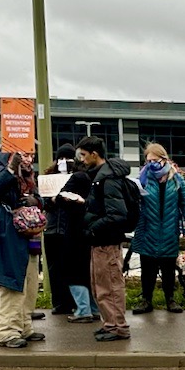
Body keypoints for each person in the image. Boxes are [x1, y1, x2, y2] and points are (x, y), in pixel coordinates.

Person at [0, 149, 45, 348]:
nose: (28, 158)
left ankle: (24, 326)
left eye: (31, 155)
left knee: (28, 283)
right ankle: (7, 332)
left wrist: (36, 201)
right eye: (24, 154)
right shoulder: (2, 171)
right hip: (7, 232)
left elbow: (39, 199)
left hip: (25, 234)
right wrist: (10, 169)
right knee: (12, 283)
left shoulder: (27, 176)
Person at [78, 137, 135, 342]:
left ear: (95, 154)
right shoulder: (101, 177)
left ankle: (118, 327)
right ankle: (110, 323)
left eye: (84, 155)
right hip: (101, 241)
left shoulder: (108, 179)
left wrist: (93, 228)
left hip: (106, 241)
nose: (82, 160)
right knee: (100, 285)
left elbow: (116, 214)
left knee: (110, 285)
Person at [131, 143, 185, 315]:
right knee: (148, 268)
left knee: (168, 268)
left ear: (163, 159)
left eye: (154, 159)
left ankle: (170, 299)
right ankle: (146, 300)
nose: (151, 163)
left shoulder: (176, 179)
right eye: (148, 160)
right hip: (148, 229)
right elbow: (135, 203)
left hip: (169, 229)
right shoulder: (143, 179)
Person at [51, 157, 96, 323]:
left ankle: (83, 310)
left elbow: (62, 196)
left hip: (74, 229)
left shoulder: (76, 178)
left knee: (72, 270)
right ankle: (95, 308)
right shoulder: (93, 178)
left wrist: (55, 199)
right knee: (87, 271)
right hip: (89, 229)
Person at [41, 144, 78, 315]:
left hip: (69, 228)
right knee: (53, 267)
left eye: (67, 158)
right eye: (61, 158)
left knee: (69, 265)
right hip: (51, 228)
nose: (63, 162)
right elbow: (44, 202)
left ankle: (73, 301)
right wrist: (53, 200)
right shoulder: (49, 177)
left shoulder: (77, 177)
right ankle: (59, 301)